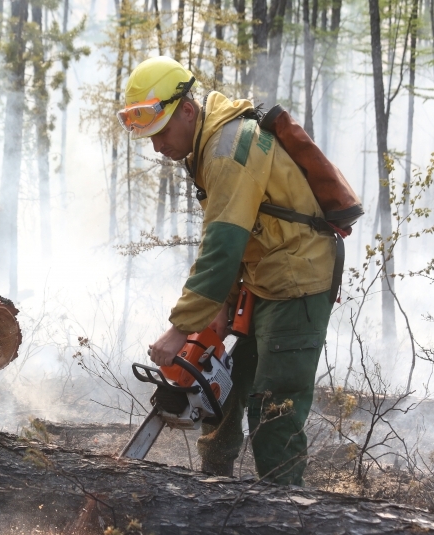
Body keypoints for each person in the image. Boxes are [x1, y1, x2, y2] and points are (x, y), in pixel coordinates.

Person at [116, 56, 336, 486]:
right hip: (261, 278)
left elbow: (222, 247)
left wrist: (180, 329)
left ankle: (286, 509)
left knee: (273, 412)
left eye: (160, 133)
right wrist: (221, 306)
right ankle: (213, 495)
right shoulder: (210, 144)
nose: (157, 146)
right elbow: (238, 234)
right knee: (221, 394)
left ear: (187, 109)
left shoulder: (227, 150)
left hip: (296, 282)